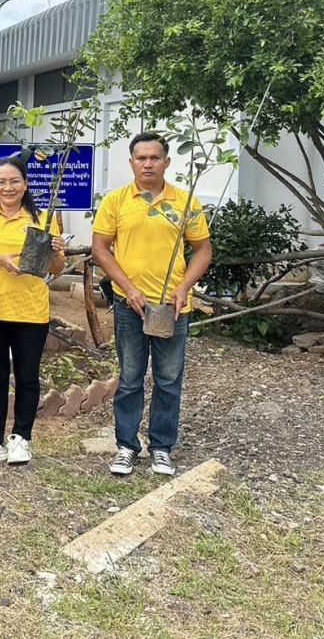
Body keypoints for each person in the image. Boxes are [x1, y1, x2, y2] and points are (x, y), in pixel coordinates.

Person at [92, 132, 212, 478]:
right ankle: (127, 446)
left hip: (173, 307)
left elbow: (203, 249)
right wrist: (127, 288)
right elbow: (101, 249)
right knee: (130, 378)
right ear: (131, 163)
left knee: (169, 378)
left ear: (167, 162)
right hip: (131, 305)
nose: (148, 163)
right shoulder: (116, 201)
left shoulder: (184, 202)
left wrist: (185, 286)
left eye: (155, 157)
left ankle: (161, 447)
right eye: (141, 158)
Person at [0, 156, 66, 467]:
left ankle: (21, 438)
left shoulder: (43, 218)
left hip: (30, 310)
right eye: (0, 182)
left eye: (14, 181)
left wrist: (57, 250)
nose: (7, 187)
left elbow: (56, 269)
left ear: (24, 184)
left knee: (27, 377)